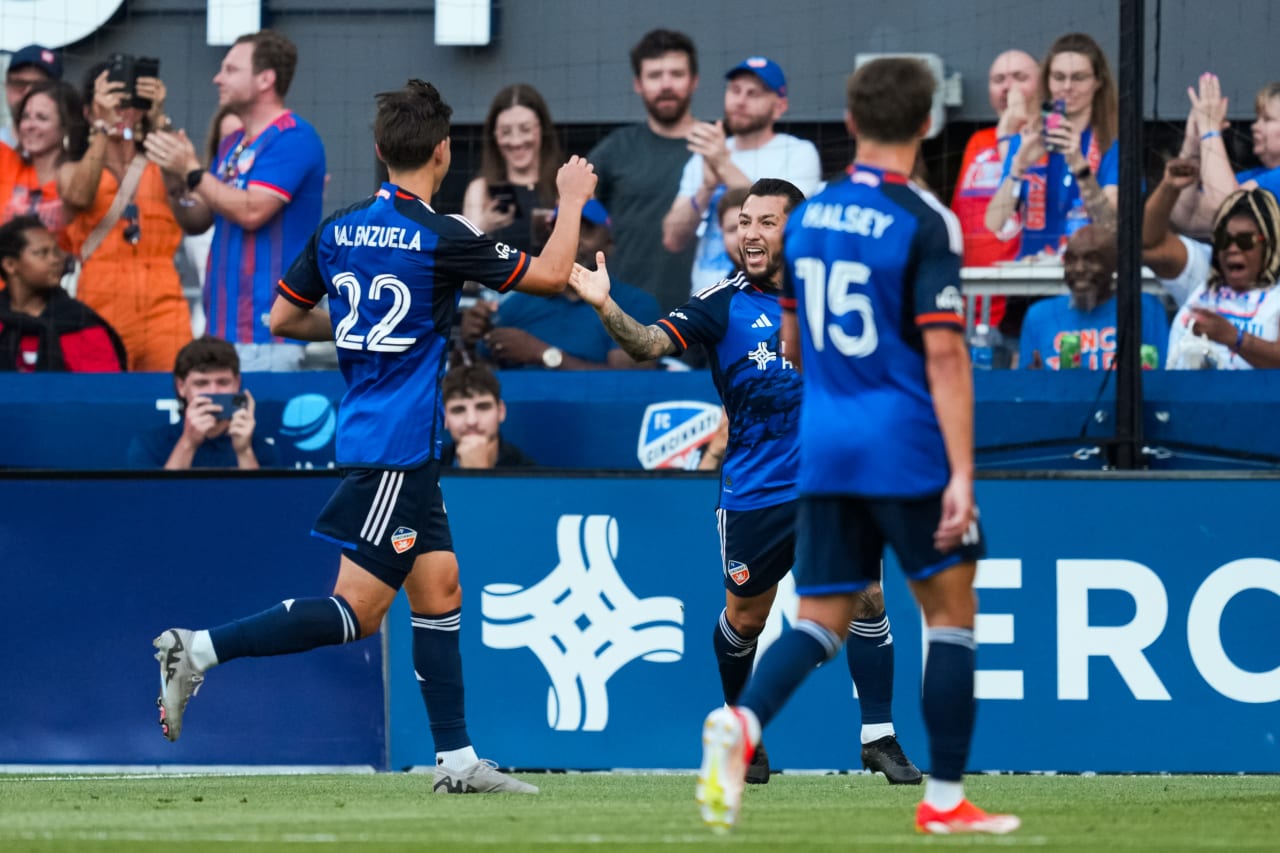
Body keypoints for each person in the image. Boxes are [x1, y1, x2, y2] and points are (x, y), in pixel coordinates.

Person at [151, 79, 597, 795]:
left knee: (442, 586)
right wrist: (571, 197)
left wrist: (363, 329)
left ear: (381, 149)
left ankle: (456, 760)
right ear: (444, 151)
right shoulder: (442, 235)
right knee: (356, 611)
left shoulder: (339, 228)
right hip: (393, 448)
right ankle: (196, 649)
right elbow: (549, 276)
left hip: (391, 444)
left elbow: (283, 320)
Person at [692, 58, 1019, 835]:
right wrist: (962, 471)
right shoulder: (925, 220)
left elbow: (799, 345)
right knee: (950, 612)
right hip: (899, 442)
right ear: (927, 126)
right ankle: (943, 799)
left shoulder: (809, 221)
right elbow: (945, 356)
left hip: (825, 446)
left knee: (820, 618)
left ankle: (738, 727)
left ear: (848, 122)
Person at [568, 178, 920, 787]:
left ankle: (879, 737)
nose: (751, 234)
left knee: (867, 596)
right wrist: (606, 306)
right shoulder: (721, 302)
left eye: (767, 222)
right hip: (756, 492)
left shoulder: (840, 294)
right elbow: (648, 343)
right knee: (746, 619)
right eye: (744, 222)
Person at [142, 30, 326, 371]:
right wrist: (174, 176)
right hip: (222, 330)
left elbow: (252, 210)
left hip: (269, 332)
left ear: (265, 79)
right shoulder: (233, 144)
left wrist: (193, 172)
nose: (217, 78)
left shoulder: (294, 136)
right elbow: (197, 220)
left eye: (230, 69)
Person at [63, 63, 198, 372]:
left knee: (176, 392)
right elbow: (79, 195)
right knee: (100, 402)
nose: (122, 110)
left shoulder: (162, 163)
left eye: (130, 103)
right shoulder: (73, 167)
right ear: (88, 110)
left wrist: (158, 119)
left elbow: (191, 198)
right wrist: (102, 125)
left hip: (163, 304)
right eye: (113, 101)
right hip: (99, 302)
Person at [662, 56, 821, 295]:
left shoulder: (798, 152)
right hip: (707, 299)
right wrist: (706, 187)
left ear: (779, 107)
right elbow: (673, 239)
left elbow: (795, 229)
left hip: (769, 296)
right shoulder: (703, 157)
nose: (740, 101)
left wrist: (723, 165)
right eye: (735, 91)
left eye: (753, 93)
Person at [461, 199, 659, 370]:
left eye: (586, 231)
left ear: (609, 243)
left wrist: (544, 354)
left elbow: (628, 384)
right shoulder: (515, 303)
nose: (574, 241)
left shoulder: (635, 305)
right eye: (563, 231)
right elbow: (481, 376)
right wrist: (472, 342)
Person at [588, 28, 701, 313]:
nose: (666, 85)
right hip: (624, 311)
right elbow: (570, 213)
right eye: (654, 75)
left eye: (676, 74)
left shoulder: (718, 148)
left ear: (694, 81)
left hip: (704, 313)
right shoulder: (615, 149)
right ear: (638, 83)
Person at [984, 33, 1119, 257]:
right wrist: (1018, 167)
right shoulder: (1026, 140)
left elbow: (1111, 225)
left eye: (1078, 77)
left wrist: (1080, 166)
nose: (1067, 86)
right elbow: (993, 223)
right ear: (1046, 80)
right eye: (1058, 77)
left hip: (1092, 274)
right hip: (1033, 276)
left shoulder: (1113, 144)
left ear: (1098, 82)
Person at [1145, 158, 1280, 369]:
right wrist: (1168, 188)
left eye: (1245, 241)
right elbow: (1147, 245)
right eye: (1225, 240)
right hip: (1186, 400)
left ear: (1269, 245)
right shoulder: (1205, 274)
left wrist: (1233, 337)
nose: (1233, 248)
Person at [1019, 224, 1169, 370]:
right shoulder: (1039, 316)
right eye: (1071, 260)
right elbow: (1024, 387)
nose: (1079, 269)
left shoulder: (1144, 308)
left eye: (1090, 260)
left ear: (1113, 264)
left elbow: (1162, 380)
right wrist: (1033, 379)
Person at [127, 336, 277, 468]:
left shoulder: (261, 449)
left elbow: (259, 500)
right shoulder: (150, 446)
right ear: (181, 387)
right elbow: (156, 499)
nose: (213, 391)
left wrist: (244, 452)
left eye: (223, 382)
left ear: (237, 384)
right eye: (201, 383)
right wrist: (188, 443)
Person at [0, 215, 124, 371]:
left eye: (55, 252)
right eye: (42, 253)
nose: (55, 260)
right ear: (10, 265)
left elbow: (105, 391)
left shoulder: (82, 325)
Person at [1170, 75, 1280, 238]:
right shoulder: (1254, 176)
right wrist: (1192, 144)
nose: (1255, 126)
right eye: (1258, 119)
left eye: (1267, 119)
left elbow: (1228, 208)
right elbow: (1186, 219)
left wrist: (1209, 130)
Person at [462, 84, 563, 253]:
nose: (516, 141)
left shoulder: (565, 184)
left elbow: (595, 245)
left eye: (525, 129)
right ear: (494, 135)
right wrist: (483, 227)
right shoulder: (480, 190)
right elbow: (462, 256)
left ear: (542, 129)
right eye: (505, 132)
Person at [0, 80, 88, 248]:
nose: (29, 126)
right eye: (25, 117)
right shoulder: (5, 161)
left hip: (60, 272)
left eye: (42, 118)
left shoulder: (79, 178)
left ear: (65, 127)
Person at [440, 363, 536, 468]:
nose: (471, 421)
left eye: (483, 407)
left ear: (501, 411)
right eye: (458, 410)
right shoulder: (427, 472)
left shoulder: (528, 473)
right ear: (444, 418)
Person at [2, 45, 62, 148]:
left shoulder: (76, 151)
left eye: (40, 86)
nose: (28, 93)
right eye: (19, 84)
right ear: (6, 86)